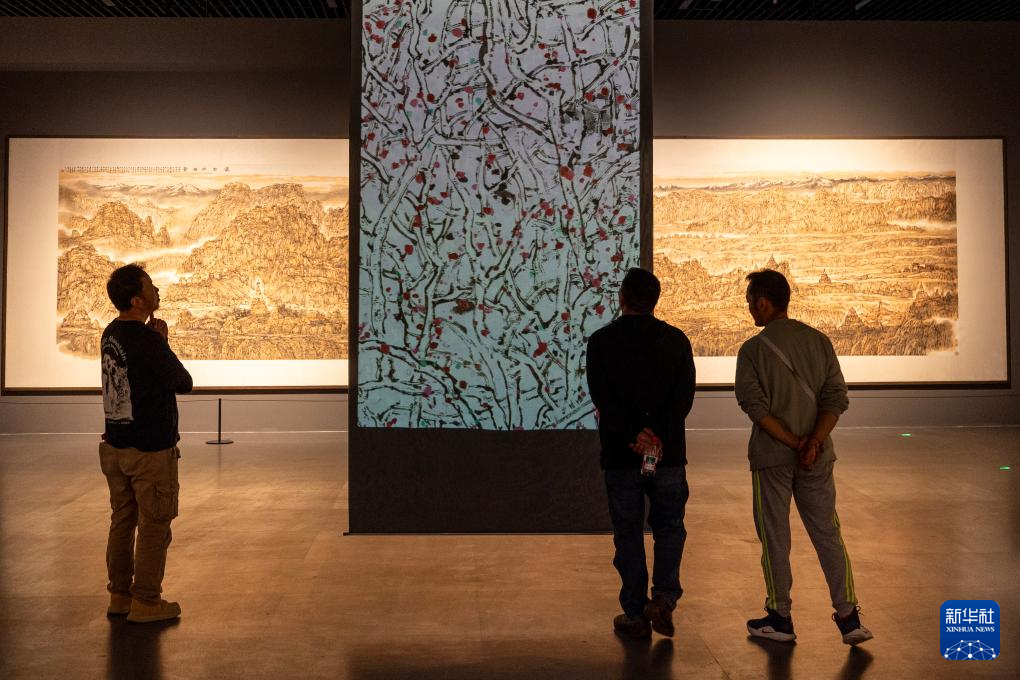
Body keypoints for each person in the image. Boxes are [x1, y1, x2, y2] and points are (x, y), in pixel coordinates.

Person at [735, 268, 873, 645]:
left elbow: (756, 408)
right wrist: (813, 441)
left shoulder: (752, 351)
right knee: (828, 533)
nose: (750, 310)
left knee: (775, 537)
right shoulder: (818, 341)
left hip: (772, 459)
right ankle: (849, 618)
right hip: (818, 457)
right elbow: (836, 398)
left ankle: (780, 617)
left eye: (751, 303)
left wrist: (794, 443)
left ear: (765, 303)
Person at [586, 267, 696, 639]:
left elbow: (603, 398)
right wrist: (655, 437)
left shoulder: (601, 342)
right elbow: (682, 400)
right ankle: (663, 600)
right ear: (655, 300)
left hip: (621, 454)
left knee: (628, 532)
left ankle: (634, 613)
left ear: (622, 298)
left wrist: (636, 434)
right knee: (669, 527)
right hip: (667, 455)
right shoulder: (676, 341)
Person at [99, 263, 192, 623]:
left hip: (116, 445)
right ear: (138, 300)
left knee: (122, 521)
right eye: (151, 287)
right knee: (155, 524)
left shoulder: (110, 333)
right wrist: (162, 343)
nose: (156, 291)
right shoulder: (147, 340)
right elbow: (183, 381)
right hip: (149, 449)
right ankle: (147, 601)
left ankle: (119, 595)